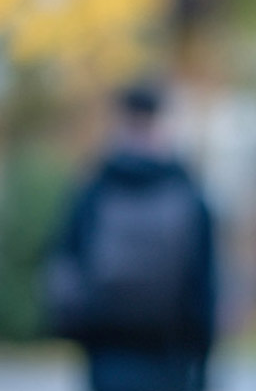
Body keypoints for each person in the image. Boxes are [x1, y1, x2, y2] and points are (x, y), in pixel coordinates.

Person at [46, 82, 216, 391]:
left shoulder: (96, 188)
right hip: (170, 352)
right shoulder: (186, 192)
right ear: (161, 122)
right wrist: (203, 362)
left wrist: (77, 327)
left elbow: (67, 262)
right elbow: (204, 286)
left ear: (121, 121)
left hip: (106, 349)